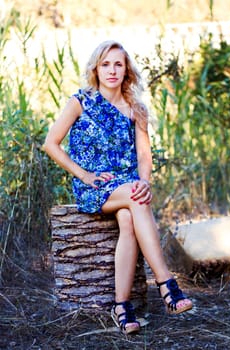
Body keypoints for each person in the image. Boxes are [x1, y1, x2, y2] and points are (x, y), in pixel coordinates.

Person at [44, 40, 192, 335]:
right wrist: (84, 175)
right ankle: (167, 285)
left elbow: (144, 156)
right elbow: (51, 144)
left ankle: (122, 307)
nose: (112, 70)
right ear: (96, 69)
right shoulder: (81, 101)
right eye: (105, 64)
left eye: (118, 64)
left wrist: (146, 182)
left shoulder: (137, 109)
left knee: (129, 216)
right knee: (136, 200)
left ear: (127, 71)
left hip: (128, 184)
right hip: (95, 186)